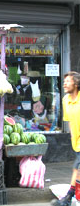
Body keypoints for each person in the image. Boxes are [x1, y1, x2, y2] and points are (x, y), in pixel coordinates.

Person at [51, 71, 80, 206]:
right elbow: (69, 121)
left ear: (76, 83)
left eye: (67, 81)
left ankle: (68, 198)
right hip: (76, 142)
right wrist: (73, 138)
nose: (64, 84)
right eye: (64, 82)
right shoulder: (65, 101)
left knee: (77, 167)